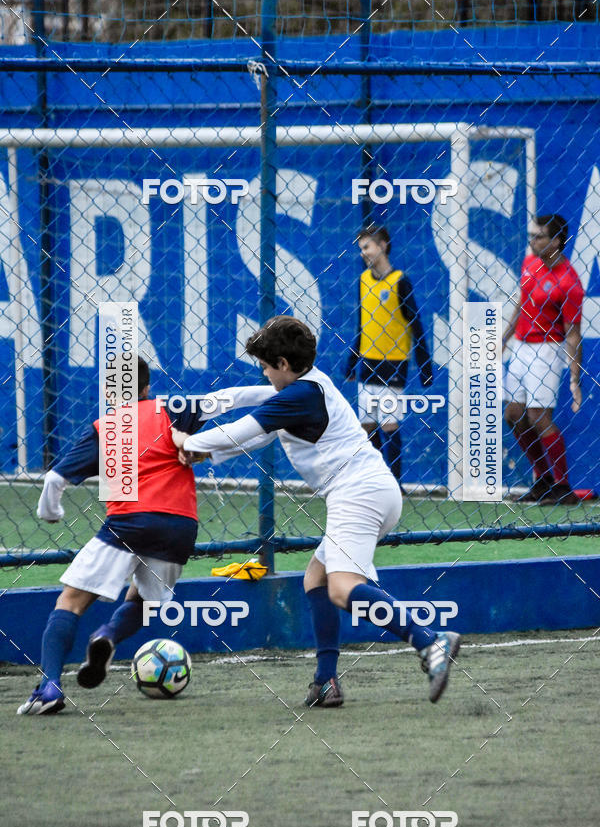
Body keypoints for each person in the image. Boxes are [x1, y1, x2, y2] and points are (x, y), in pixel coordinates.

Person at [172, 316, 460, 707]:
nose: (264, 373)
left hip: (358, 494)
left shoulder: (298, 396)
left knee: (341, 589)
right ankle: (326, 682)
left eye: (267, 366)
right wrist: (205, 445)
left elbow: (245, 427)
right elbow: (252, 417)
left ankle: (430, 641)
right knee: (317, 581)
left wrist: (187, 440)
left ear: (284, 366)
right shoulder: (303, 388)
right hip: (370, 490)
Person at [18, 357, 272, 715]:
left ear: (109, 392)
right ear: (146, 387)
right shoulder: (171, 407)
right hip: (180, 526)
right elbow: (229, 398)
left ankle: (50, 688)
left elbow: (54, 480)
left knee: (72, 601)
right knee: (143, 601)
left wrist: (51, 512)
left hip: (129, 522)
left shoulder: (104, 427)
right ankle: (107, 634)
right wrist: (281, 390)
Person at [503, 214, 584, 505]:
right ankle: (543, 479)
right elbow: (521, 302)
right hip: (521, 348)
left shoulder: (569, 281)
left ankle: (563, 487)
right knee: (513, 415)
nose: (532, 241)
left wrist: (575, 378)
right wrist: (504, 338)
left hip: (547, 350)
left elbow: (573, 334)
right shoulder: (529, 264)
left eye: (538, 236)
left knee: (539, 417)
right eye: (531, 235)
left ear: (556, 241)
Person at [345, 225, 433, 483]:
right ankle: (377, 479)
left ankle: (394, 482)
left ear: (383, 245)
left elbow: (416, 325)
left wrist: (424, 367)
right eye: (361, 248)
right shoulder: (363, 281)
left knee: (389, 425)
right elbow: (362, 324)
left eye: (367, 247)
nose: (363, 253)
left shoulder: (399, 281)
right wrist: (352, 362)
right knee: (367, 426)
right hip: (368, 363)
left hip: (394, 364)